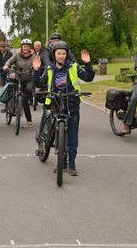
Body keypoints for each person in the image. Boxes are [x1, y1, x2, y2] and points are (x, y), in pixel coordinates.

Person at [32, 41, 94, 176]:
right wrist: (36, 71)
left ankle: (71, 165)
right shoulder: (49, 69)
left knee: (72, 137)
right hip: (55, 104)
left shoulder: (73, 67)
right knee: (55, 134)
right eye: (58, 53)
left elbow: (88, 77)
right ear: (54, 55)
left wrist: (88, 64)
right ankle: (58, 157)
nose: (61, 56)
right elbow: (38, 83)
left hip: (72, 105)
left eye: (63, 53)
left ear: (66, 55)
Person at [3, 38, 36, 128]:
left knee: (26, 97)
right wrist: (6, 65)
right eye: (24, 46)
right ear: (22, 47)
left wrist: (37, 67)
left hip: (29, 79)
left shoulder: (34, 56)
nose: (26, 48)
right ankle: (10, 104)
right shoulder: (17, 55)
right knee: (12, 88)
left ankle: (29, 121)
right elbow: (10, 60)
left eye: (27, 46)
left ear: (30, 47)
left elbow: (38, 64)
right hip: (19, 78)